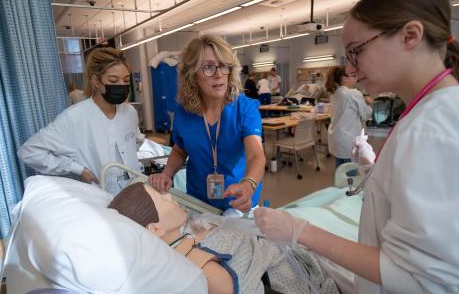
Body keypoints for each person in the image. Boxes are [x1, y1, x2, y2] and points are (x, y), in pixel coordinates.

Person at [254, 0, 459, 294]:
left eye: (357, 51)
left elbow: (419, 278)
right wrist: (376, 170)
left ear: (410, 36)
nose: (352, 69)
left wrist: (297, 229)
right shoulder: (436, 111)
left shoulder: (432, 127)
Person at [108, 182, 340, 294]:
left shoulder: (186, 234)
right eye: (162, 199)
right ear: (154, 229)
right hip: (284, 266)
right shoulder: (191, 265)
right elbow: (244, 286)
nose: (169, 196)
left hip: (276, 238)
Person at [148, 35, 265, 213]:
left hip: (238, 203)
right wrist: (166, 174)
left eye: (223, 65)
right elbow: (180, 150)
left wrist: (248, 184)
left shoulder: (244, 109)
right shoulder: (184, 112)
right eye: (208, 67)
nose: (218, 74)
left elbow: (256, 155)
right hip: (198, 202)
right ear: (193, 75)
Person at [19, 47, 141, 194]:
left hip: (135, 188)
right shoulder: (74, 117)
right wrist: (76, 168)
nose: (122, 85)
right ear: (96, 81)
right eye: (113, 80)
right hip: (100, 196)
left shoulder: (129, 112)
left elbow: (136, 141)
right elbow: (28, 152)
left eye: (126, 80)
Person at [326, 66, 372, 168]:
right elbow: (366, 114)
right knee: (350, 174)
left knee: (341, 171)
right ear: (344, 79)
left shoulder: (334, 94)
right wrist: (369, 104)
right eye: (353, 76)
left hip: (336, 138)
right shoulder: (353, 93)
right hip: (348, 140)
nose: (356, 79)